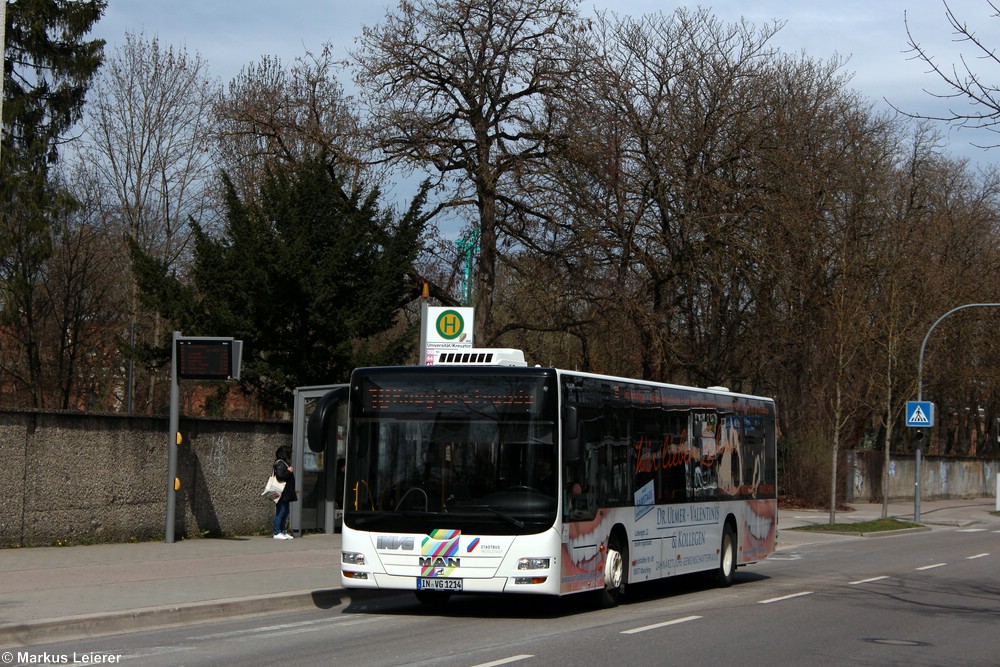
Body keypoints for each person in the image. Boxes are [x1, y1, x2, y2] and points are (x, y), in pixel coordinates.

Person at [273, 445, 298, 540]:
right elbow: (280, 476)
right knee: (281, 511)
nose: (290, 455)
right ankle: (276, 532)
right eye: (288, 453)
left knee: (285, 511)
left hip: (286, 493)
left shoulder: (284, 463)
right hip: (281, 492)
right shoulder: (280, 463)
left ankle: (283, 531)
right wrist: (289, 471)